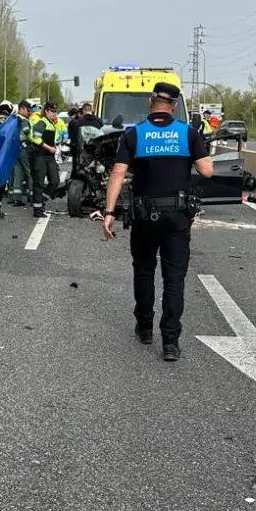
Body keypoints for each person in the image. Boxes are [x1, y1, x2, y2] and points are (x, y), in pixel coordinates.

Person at [98, 81, 212, 362]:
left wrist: (109, 212)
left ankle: (145, 327)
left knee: (144, 271)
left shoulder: (134, 134)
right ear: (173, 106)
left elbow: (117, 173)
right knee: (174, 279)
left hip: (144, 216)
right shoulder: (188, 133)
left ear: (151, 103)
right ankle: (170, 341)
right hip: (177, 216)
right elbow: (207, 171)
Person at [28, 101, 60, 218]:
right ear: (46, 111)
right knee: (39, 183)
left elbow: (51, 139)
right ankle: (37, 209)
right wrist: (49, 147)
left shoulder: (51, 123)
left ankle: (42, 200)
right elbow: (35, 138)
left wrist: (55, 147)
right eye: (52, 111)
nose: (54, 114)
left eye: (55, 112)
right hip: (40, 156)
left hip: (50, 157)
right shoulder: (41, 123)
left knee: (55, 181)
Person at [7, 100, 35, 206]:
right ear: (22, 108)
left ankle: (15, 198)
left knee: (17, 173)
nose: (28, 113)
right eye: (27, 110)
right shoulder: (23, 120)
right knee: (29, 172)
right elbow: (28, 134)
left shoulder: (13, 119)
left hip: (14, 149)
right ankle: (32, 196)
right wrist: (33, 142)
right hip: (23, 149)